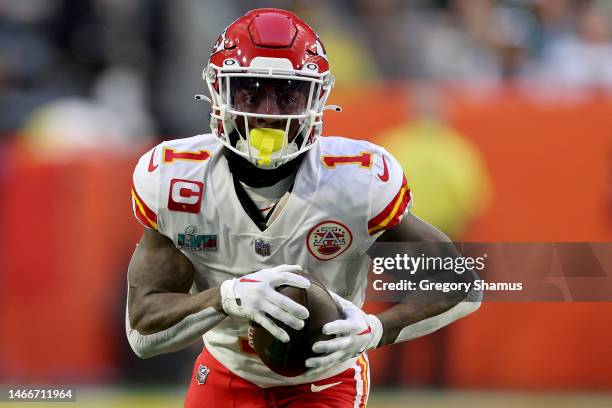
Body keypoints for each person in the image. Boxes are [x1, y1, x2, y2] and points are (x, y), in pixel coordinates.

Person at [126, 8, 481, 408]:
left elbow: (461, 283)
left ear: (317, 98)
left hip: (326, 379)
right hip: (227, 370)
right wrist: (226, 297)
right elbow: (142, 333)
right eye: (251, 91)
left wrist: (377, 328)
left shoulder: (356, 181)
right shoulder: (177, 178)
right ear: (219, 93)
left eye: (288, 95)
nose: (269, 113)